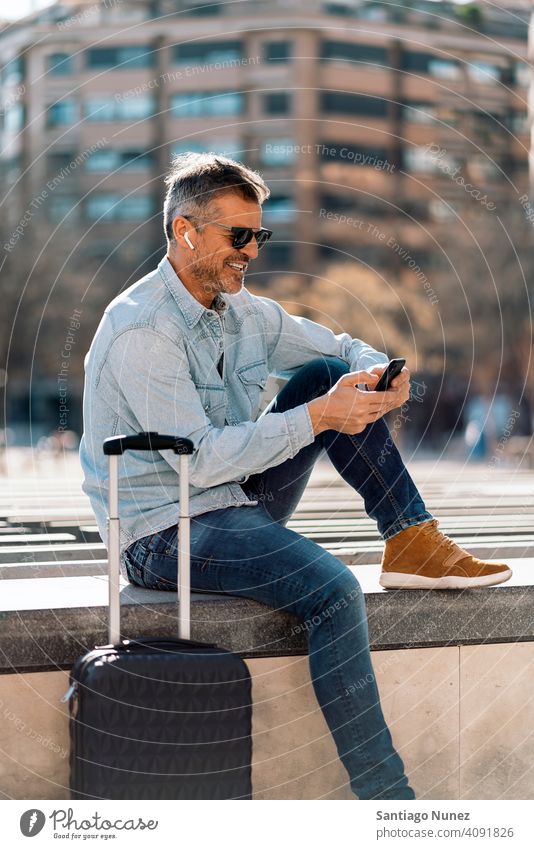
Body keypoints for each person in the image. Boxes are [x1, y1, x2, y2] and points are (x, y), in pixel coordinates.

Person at [79, 153, 511, 800]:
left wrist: (375, 377)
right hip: (163, 530)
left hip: (230, 503)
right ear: (185, 232)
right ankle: (387, 801)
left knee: (321, 376)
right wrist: (317, 417)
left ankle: (413, 538)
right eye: (238, 236)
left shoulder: (242, 311)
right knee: (334, 589)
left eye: (258, 236)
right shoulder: (143, 329)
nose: (250, 251)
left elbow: (338, 347)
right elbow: (200, 459)